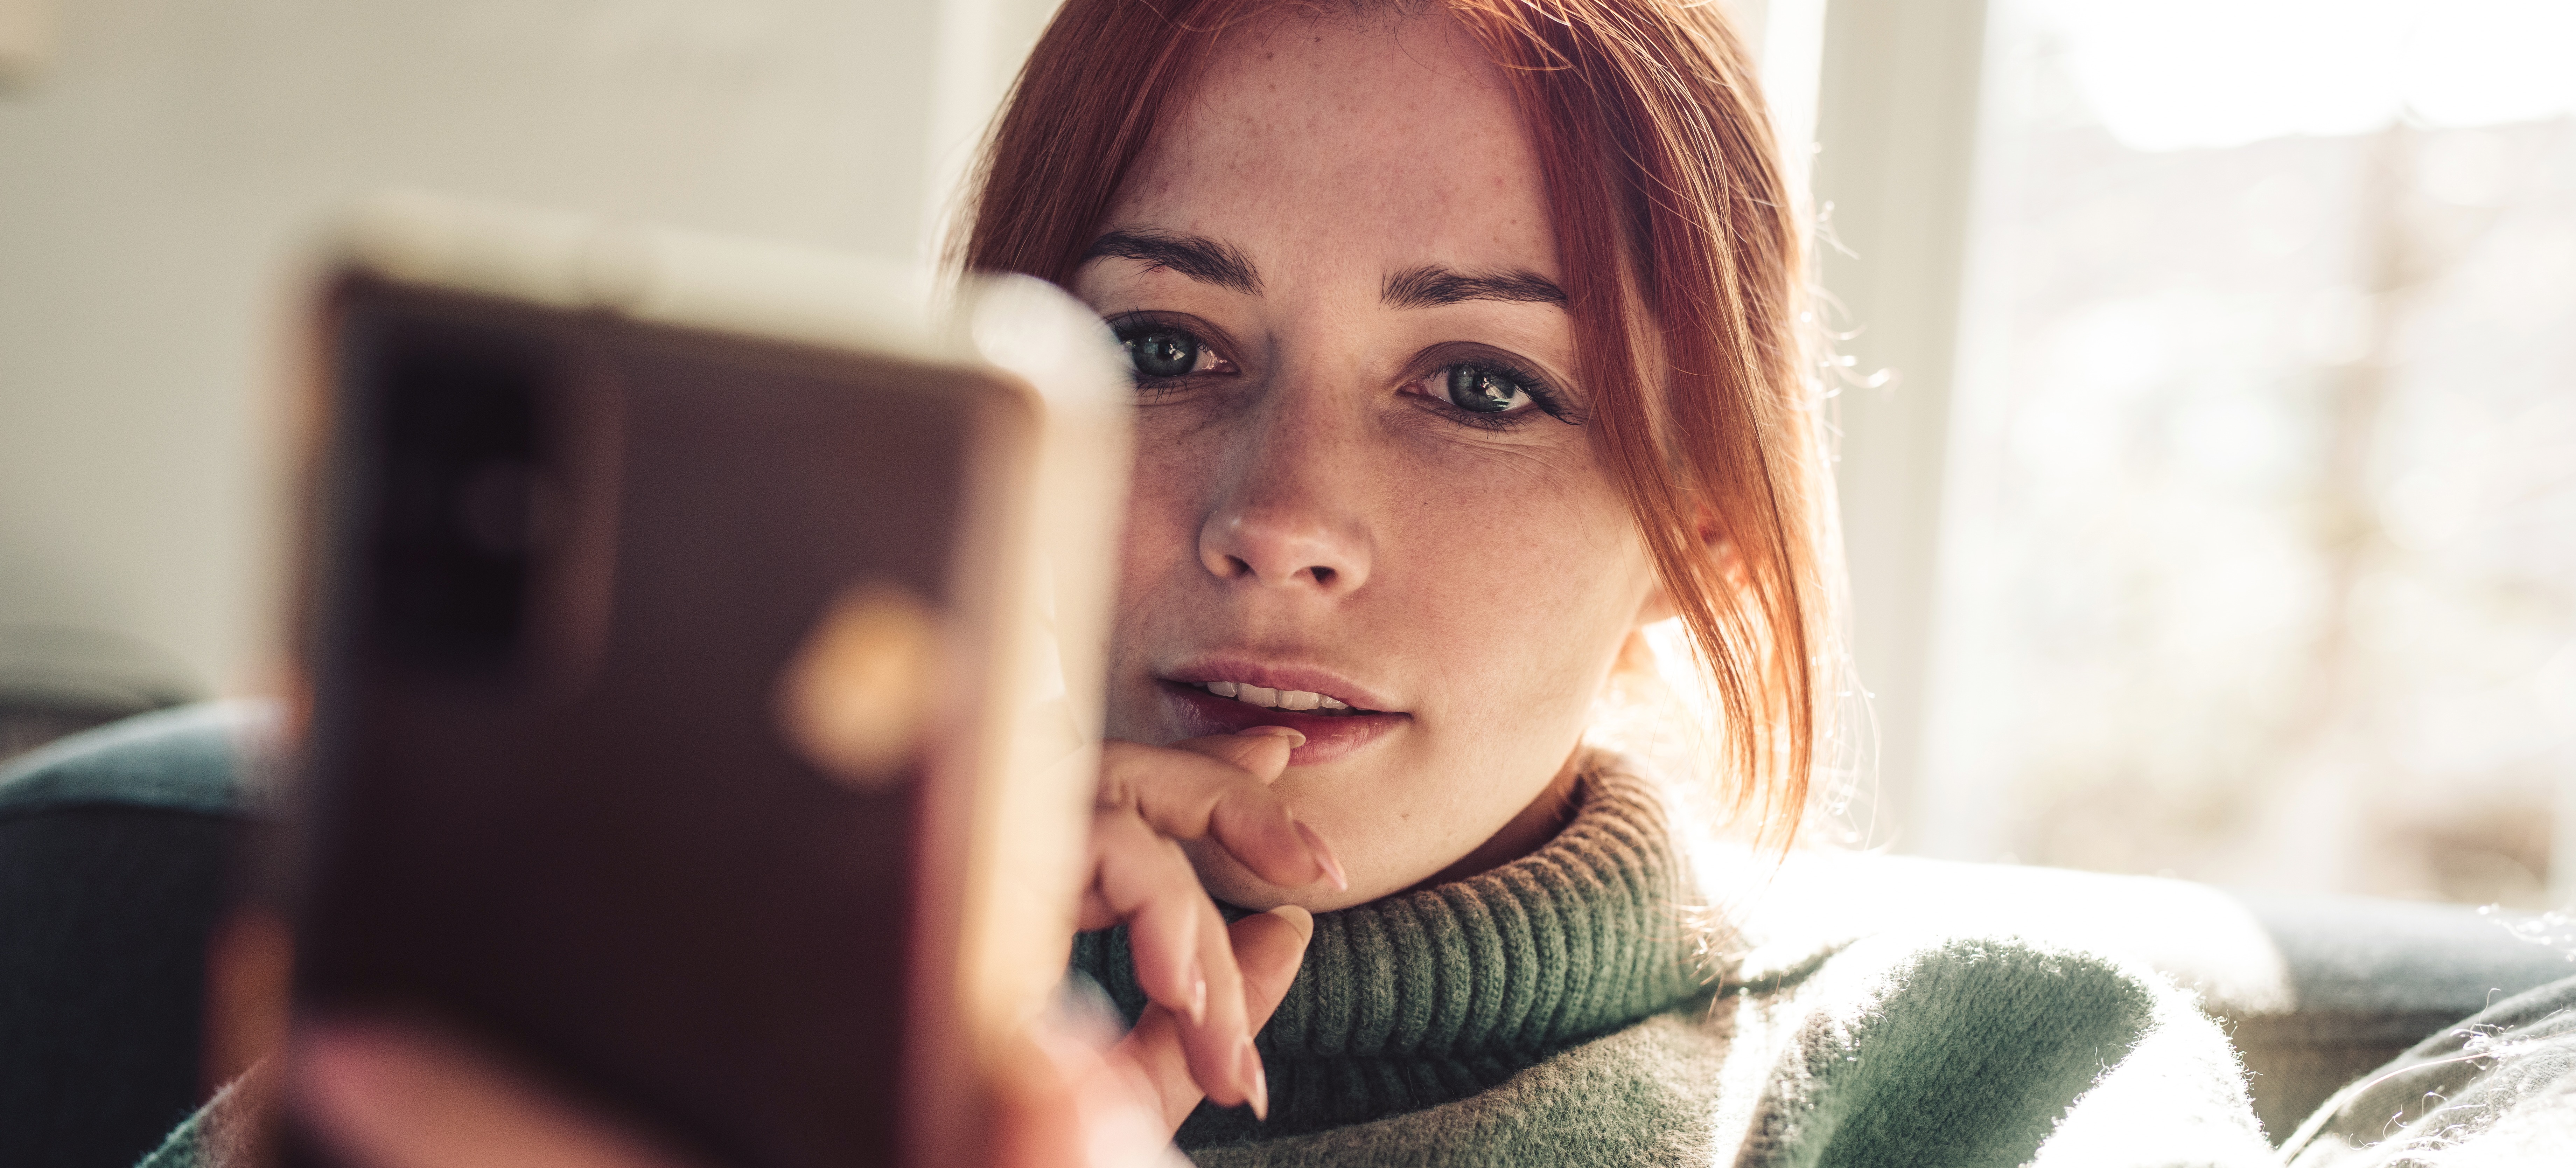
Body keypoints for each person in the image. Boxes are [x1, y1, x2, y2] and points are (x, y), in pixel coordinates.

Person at [143, 2, 2281, 1165]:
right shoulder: (633, 992)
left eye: (1477, 381)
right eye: (1165, 347)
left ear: (1701, 521)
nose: (1282, 512)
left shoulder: (2006, 1081)